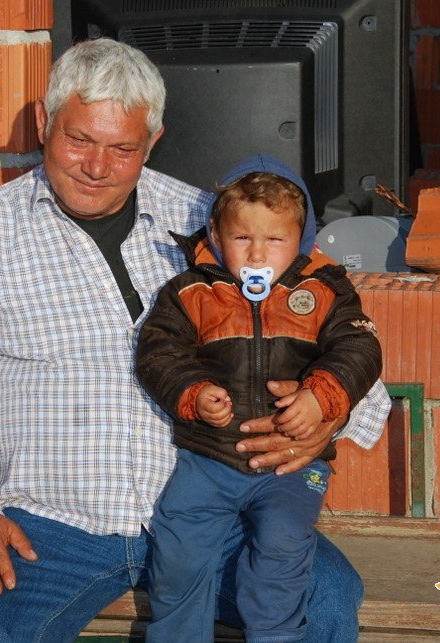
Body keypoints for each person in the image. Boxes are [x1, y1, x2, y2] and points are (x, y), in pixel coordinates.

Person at [0, 37, 392, 642]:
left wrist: (325, 416)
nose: (96, 166)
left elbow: (350, 360)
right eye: (79, 139)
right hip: (52, 528)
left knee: (327, 598)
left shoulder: (220, 223)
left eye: (122, 148)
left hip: (220, 506)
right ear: (45, 123)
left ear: (153, 141)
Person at [135, 160, 383, 642]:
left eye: (275, 239)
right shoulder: (191, 291)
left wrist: (321, 396)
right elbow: (158, 353)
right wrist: (192, 392)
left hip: (289, 467)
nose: (256, 253)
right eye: (242, 237)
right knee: (179, 551)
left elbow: (359, 347)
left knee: (282, 548)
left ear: (302, 239)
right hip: (209, 457)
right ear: (215, 234)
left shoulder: (325, 289)